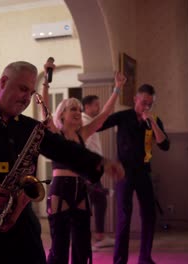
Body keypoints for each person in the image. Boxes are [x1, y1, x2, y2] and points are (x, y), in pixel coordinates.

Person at [0, 61, 124, 264]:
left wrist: (100, 162)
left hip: (22, 228)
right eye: (23, 89)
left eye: (31, 92)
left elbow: (64, 149)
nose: (27, 98)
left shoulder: (29, 128)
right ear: (3, 82)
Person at [42, 69, 127, 264]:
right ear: (61, 114)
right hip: (60, 188)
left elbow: (105, 114)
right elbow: (45, 111)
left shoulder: (83, 133)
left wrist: (117, 88)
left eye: (79, 110)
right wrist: (46, 82)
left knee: (82, 244)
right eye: (73, 109)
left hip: (80, 188)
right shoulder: (56, 134)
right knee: (60, 244)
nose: (78, 113)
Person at [99, 84, 170, 264]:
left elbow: (165, 145)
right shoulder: (124, 116)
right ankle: (119, 261)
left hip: (144, 172)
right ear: (135, 99)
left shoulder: (153, 120)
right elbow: (101, 124)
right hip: (124, 173)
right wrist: (116, 90)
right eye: (143, 102)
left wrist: (152, 122)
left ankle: (145, 258)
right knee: (124, 216)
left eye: (150, 104)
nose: (146, 107)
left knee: (149, 215)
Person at [81, 95, 115, 250]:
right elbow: (84, 148)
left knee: (100, 200)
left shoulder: (89, 121)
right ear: (87, 106)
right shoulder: (84, 121)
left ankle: (100, 237)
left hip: (93, 171)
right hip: (87, 171)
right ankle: (86, 241)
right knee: (86, 205)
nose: (98, 108)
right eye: (96, 105)